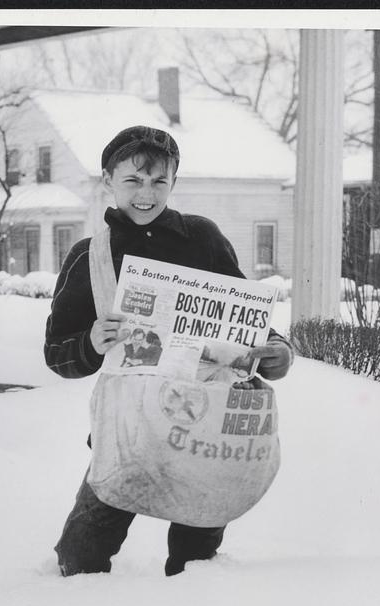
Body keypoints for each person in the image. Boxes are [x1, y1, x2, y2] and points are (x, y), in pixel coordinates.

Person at [44, 125, 293, 577]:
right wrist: (90, 343)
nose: (146, 193)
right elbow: (57, 354)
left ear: (173, 182)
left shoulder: (202, 238)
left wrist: (276, 348)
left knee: (198, 555)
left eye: (159, 181)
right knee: (81, 554)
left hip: (205, 426)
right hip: (126, 432)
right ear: (107, 181)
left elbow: (243, 316)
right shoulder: (90, 256)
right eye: (133, 181)